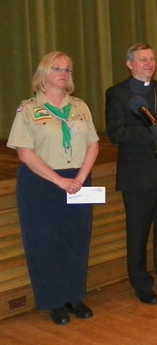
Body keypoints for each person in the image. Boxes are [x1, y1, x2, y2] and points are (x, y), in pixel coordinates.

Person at [7, 52, 99, 325]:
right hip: (42, 183)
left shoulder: (80, 107)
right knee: (44, 244)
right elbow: (25, 153)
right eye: (57, 68)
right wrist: (60, 181)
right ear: (44, 73)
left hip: (78, 180)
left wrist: (80, 178)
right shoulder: (28, 109)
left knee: (77, 240)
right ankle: (53, 301)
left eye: (68, 70)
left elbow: (93, 144)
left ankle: (74, 296)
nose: (63, 73)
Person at [105, 43, 157, 305]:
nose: (149, 63)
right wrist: (153, 134)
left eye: (152, 59)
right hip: (138, 176)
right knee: (138, 233)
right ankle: (141, 283)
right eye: (143, 59)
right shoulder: (117, 93)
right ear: (130, 64)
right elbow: (116, 132)